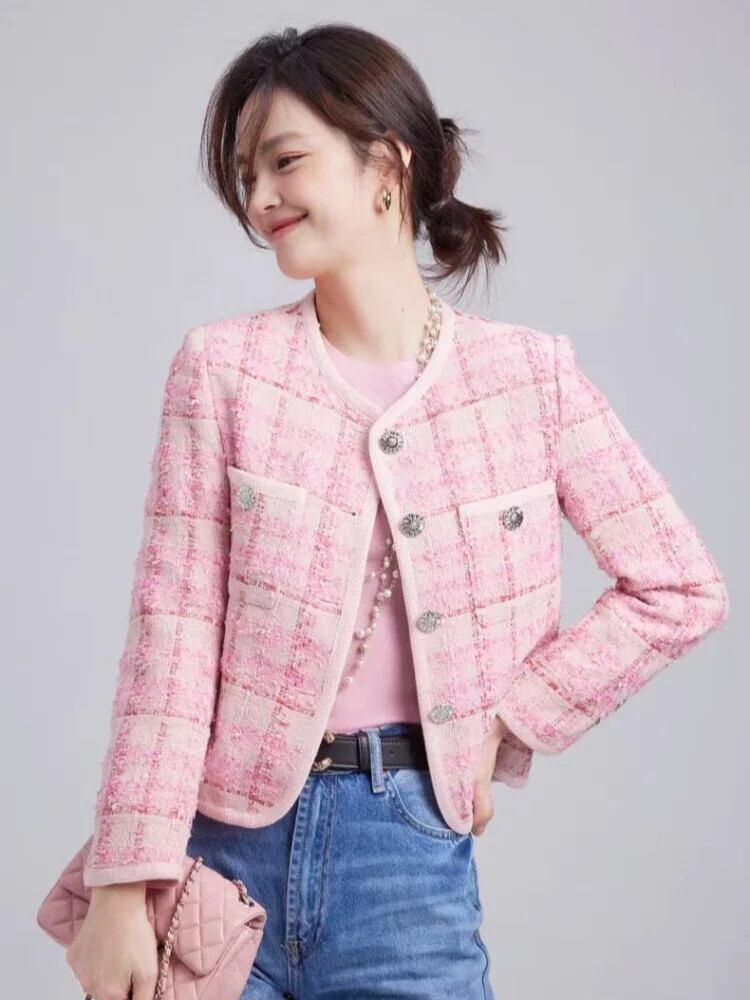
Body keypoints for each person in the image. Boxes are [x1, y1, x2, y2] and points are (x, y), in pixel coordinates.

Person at [64, 22, 729, 1000]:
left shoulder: (528, 379)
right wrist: (123, 883)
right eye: (246, 177)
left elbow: (678, 585)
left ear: (388, 164)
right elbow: (172, 638)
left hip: (405, 860)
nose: (260, 197)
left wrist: (514, 718)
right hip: (215, 859)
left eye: (285, 161)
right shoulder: (224, 370)